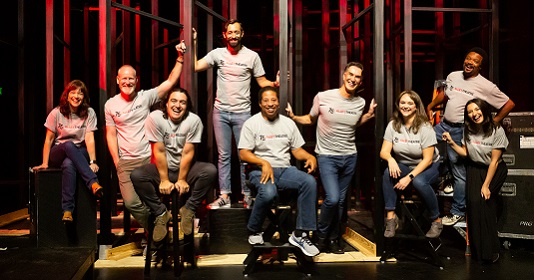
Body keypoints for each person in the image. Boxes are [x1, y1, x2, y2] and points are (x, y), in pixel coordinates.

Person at [285, 62, 376, 253]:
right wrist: (294, 117)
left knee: (342, 202)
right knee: (333, 199)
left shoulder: (360, 102)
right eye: (350, 75)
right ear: (344, 76)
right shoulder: (324, 97)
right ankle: (321, 234)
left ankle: (334, 239)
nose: (353, 79)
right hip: (327, 156)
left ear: (360, 81)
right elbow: (310, 119)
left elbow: (352, 124)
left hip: (349, 157)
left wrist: (367, 115)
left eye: (357, 77)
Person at [193, 19, 280, 209]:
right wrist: (192, 43)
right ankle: (224, 195)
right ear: (225, 35)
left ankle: (247, 195)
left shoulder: (252, 56)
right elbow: (195, 66)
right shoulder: (218, 54)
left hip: (243, 113)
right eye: (229, 32)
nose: (233, 36)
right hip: (220, 112)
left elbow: (261, 81)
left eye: (236, 32)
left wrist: (274, 84)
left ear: (242, 34)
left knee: (244, 155)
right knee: (223, 155)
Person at [426, 47, 515, 226]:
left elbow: (509, 103)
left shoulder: (486, 86)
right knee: (425, 149)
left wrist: (494, 123)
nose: (470, 62)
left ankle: (457, 210)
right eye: (468, 58)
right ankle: (442, 178)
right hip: (443, 125)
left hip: (461, 130)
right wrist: (430, 106)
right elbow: (445, 94)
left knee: (459, 170)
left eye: (475, 61)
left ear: (480, 67)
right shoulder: (453, 76)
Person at [104, 41, 186, 230]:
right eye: (124, 79)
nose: (127, 82)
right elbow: (110, 134)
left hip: (148, 160)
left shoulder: (145, 97)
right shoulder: (110, 105)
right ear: (117, 80)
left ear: (136, 80)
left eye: (131, 78)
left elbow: (170, 82)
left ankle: (155, 240)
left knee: (153, 200)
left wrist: (180, 58)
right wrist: (117, 161)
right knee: (131, 203)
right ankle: (158, 225)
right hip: (126, 162)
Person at [239, 86, 320, 257]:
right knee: (268, 192)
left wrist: (309, 156)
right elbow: (243, 153)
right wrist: (263, 162)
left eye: (273, 100)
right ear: (260, 104)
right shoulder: (251, 123)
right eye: (266, 100)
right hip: (258, 170)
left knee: (309, 182)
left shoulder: (288, 123)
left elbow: (296, 150)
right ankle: (254, 230)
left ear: (278, 102)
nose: (270, 104)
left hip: (285, 170)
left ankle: (301, 234)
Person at [131, 88, 216, 242]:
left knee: (209, 171)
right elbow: (159, 150)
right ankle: (161, 213)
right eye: (174, 101)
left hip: (186, 169)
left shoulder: (193, 120)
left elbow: (188, 152)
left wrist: (182, 179)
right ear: (167, 103)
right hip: (162, 169)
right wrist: (164, 179)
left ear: (187, 105)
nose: (178, 105)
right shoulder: (155, 118)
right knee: (137, 175)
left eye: (182, 102)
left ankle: (188, 209)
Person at [442, 98, 508, 263]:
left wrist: (486, 186)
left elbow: (494, 162)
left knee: (484, 203)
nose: (474, 114)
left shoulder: (496, 130)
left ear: (484, 110)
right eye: (470, 111)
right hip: (475, 168)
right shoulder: (468, 129)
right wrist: (451, 142)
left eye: (476, 110)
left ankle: (492, 250)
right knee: (472, 203)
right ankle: (479, 253)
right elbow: (466, 153)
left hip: (494, 169)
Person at [33, 80, 103, 222]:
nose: (76, 96)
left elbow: (90, 138)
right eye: (73, 92)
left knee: (69, 164)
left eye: (80, 93)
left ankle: (67, 211)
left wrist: (93, 161)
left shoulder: (89, 113)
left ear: (84, 97)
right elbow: (48, 140)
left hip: (79, 152)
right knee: (69, 145)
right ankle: (93, 183)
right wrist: (45, 163)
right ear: (67, 95)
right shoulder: (56, 113)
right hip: (59, 151)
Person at [380, 90, 443, 238]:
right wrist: (390, 159)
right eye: (403, 102)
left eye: (410, 103)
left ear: (416, 106)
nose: (406, 106)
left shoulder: (425, 127)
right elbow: (384, 151)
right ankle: (391, 218)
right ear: (398, 105)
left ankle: (437, 220)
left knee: (419, 182)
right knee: (387, 173)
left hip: (429, 165)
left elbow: (427, 160)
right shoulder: (393, 125)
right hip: (406, 164)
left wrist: (409, 177)